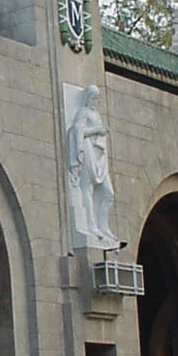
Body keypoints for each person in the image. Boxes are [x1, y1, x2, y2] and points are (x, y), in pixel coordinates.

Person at [67, 85, 117, 248]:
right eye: (94, 98)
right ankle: (91, 225)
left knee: (109, 193)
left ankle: (104, 226)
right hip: (88, 151)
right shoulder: (83, 112)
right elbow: (77, 130)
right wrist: (97, 130)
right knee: (86, 188)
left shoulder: (96, 114)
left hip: (99, 155)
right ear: (88, 97)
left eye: (98, 98)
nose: (97, 101)